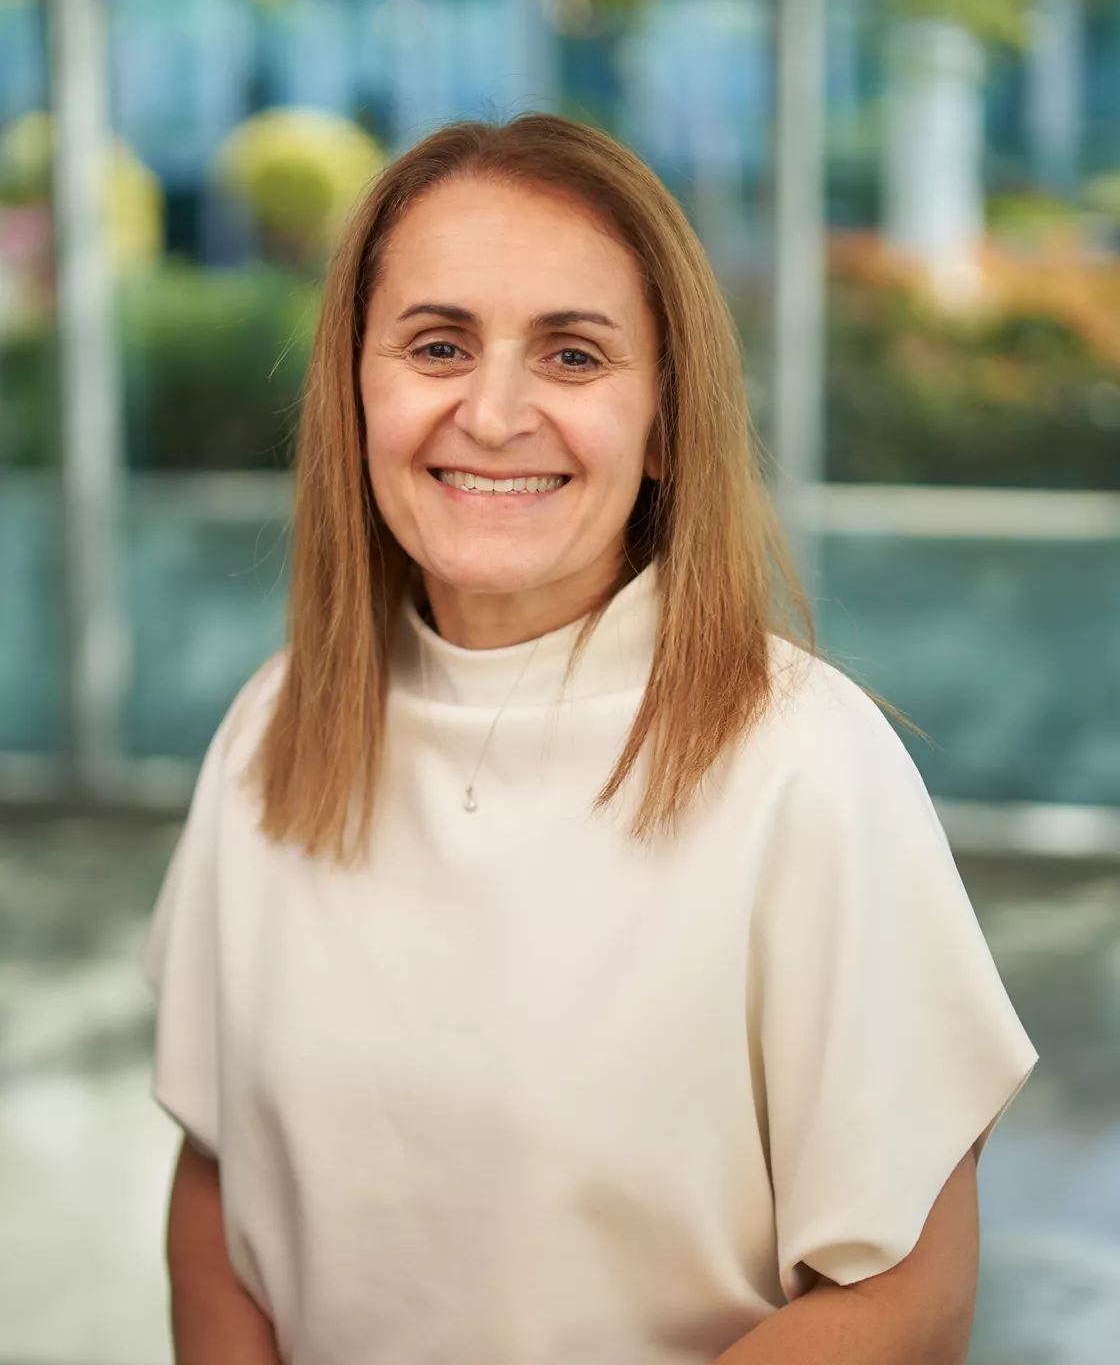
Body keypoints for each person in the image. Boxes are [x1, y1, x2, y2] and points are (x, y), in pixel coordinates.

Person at [140, 113, 1038, 1365]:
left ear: (667, 422)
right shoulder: (269, 730)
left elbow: (904, 1301)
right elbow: (218, 1176)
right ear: (356, 388)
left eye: (571, 354)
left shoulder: (803, 764)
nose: (494, 413)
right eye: (438, 343)